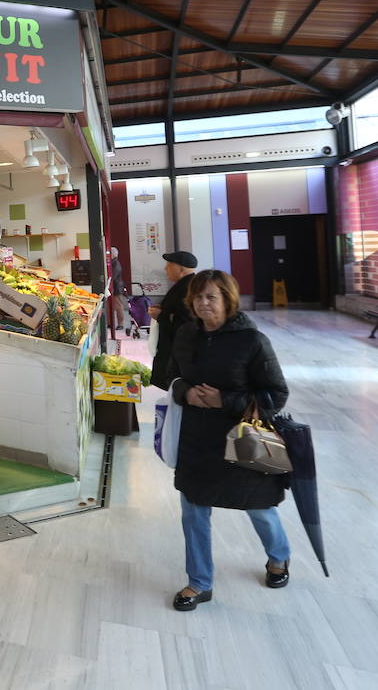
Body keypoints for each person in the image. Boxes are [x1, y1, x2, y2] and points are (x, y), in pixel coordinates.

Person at [167, 269, 291, 612]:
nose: (203, 303)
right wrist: (185, 392)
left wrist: (226, 400)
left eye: (211, 296)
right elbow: (170, 377)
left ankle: (278, 557)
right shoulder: (186, 335)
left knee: (259, 507)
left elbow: (276, 394)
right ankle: (199, 582)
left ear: (227, 300)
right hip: (196, 441)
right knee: (193, 511)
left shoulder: (252, 341)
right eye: (198, 296)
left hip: (243, 438)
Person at [149, 251, 198, 390]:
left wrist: (161, 316)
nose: (165, 268)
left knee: (174, 385)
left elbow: (185, 321)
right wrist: (163, 310)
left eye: (169, 265)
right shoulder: (183, 284)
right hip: (171, 346)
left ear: (181, 269)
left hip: (177, 349)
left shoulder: (189, 288)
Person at [107, 247, 127, 337]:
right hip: (112, 288)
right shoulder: (112, 263)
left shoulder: (116, 264)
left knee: (118, 306)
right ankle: (110, 323)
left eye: (109, 253)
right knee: (109, 306)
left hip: (117, 288)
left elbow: (113, 276)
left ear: (113, 254)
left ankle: (121, 324)